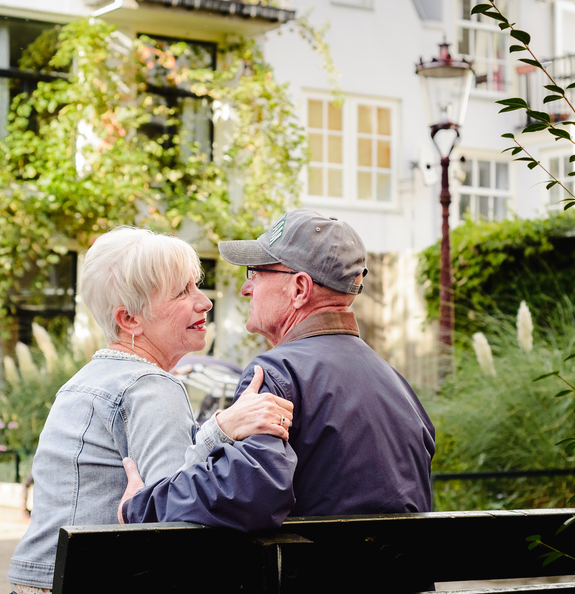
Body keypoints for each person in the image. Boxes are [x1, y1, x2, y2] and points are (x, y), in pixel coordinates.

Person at [0, 227, 295, 594]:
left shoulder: (85, 380)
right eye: (181, 293)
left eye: (198, 286)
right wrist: (222, 429)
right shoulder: (150, 385)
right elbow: (173, 518)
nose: (204, 302)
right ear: (129, 319)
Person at [119, 210, 435, 529]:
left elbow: (245, 493)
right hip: (406, 577)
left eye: (255, 272)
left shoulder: (278, 372)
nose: (247, 289)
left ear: (299, 289)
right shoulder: (396, 383)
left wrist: (140, 507)